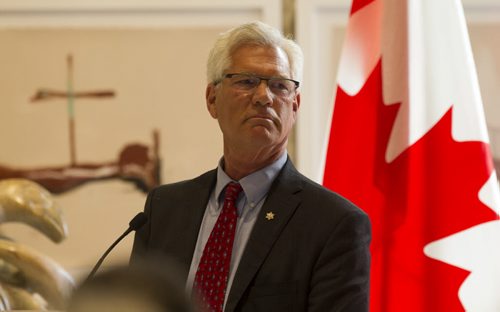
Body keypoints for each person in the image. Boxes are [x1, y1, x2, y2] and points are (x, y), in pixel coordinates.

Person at [131, 21, 371, 312]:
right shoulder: (164, 209)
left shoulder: (334, 224)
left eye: (279, 86)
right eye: (246, 81)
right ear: (212, 99)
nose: (263, 97)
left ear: (295, 106)